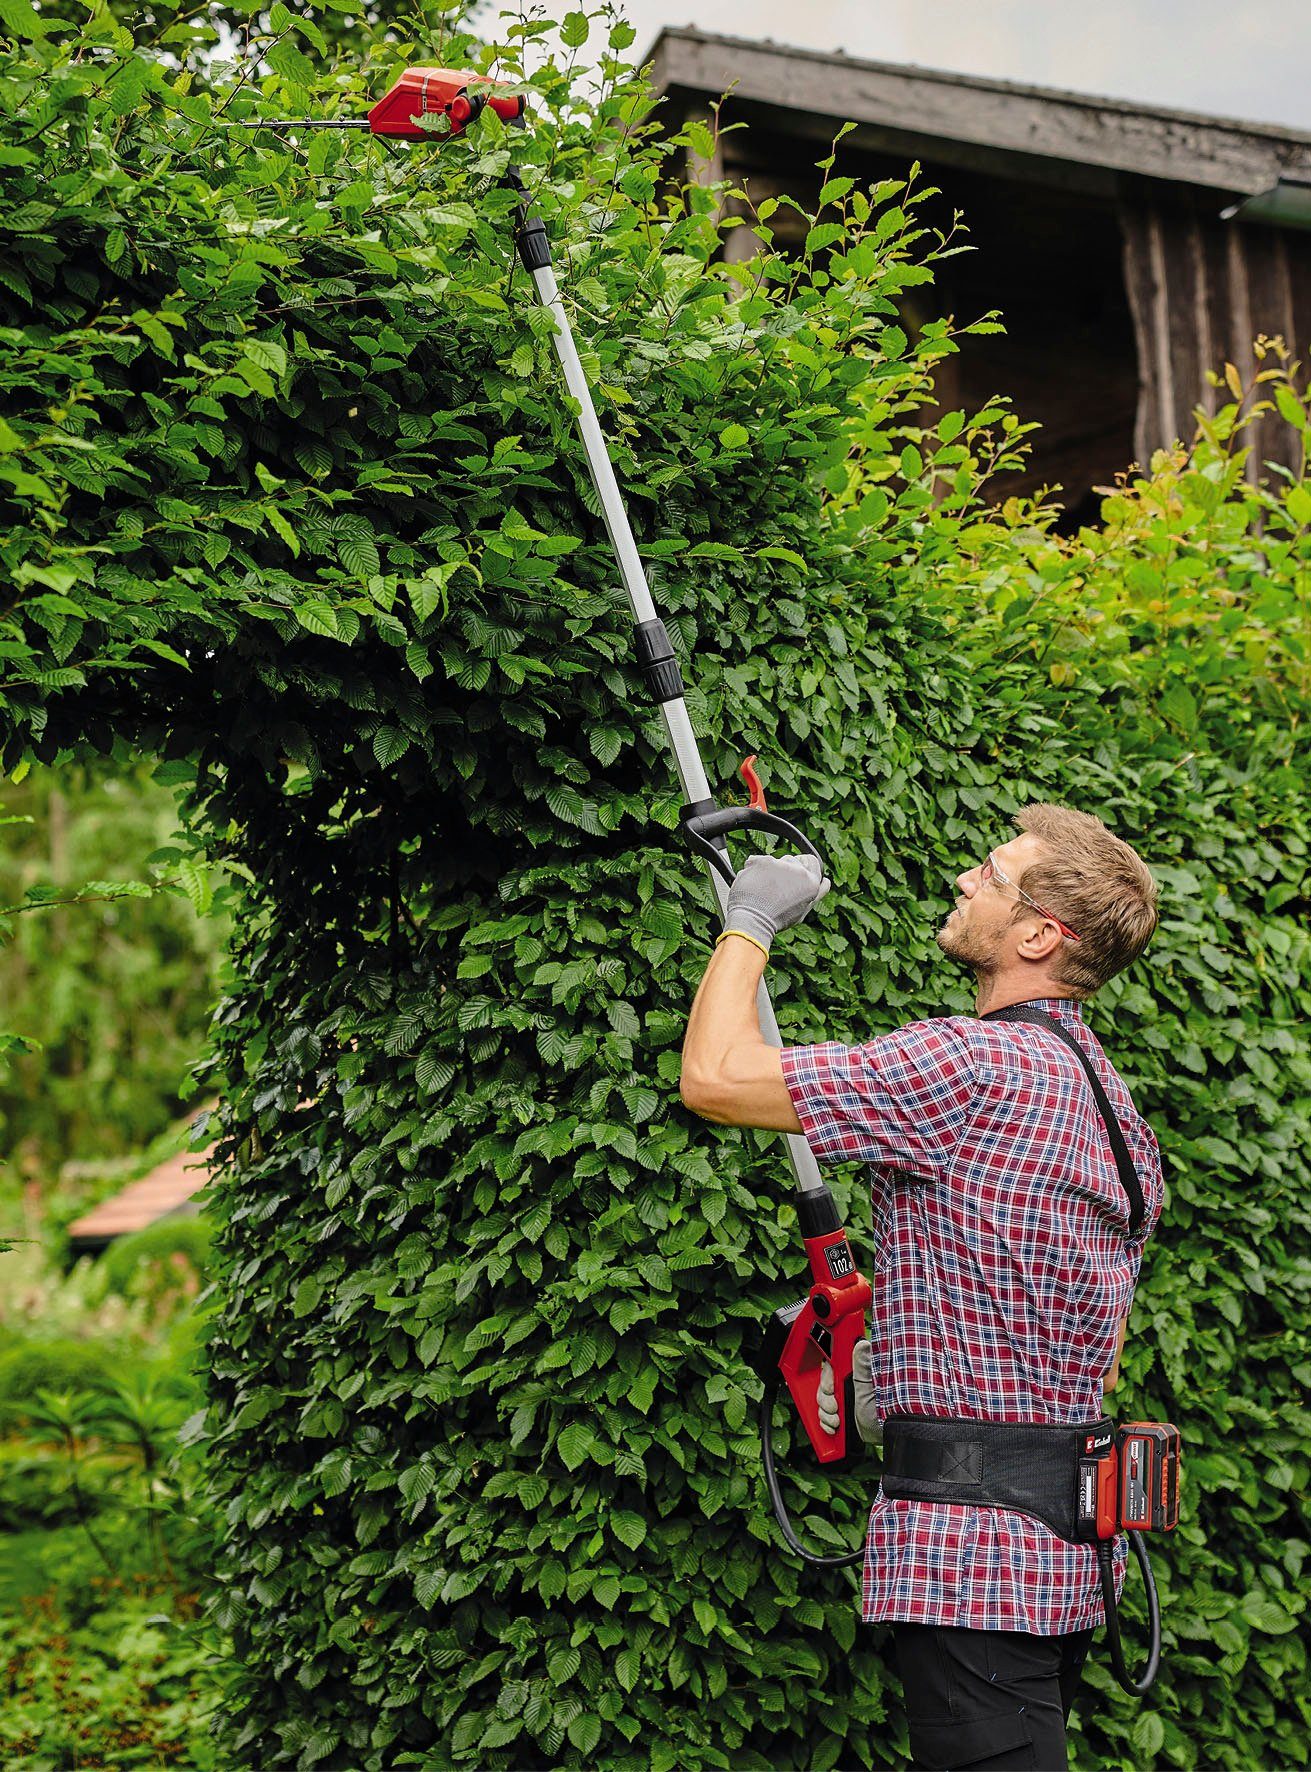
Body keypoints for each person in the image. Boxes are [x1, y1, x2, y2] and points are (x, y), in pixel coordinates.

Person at [679, 803, 1163, 1772]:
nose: (964, 881)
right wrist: (908, 1355)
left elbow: (716, 1075)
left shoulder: (969, 1062)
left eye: (990, 873)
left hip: (969, 1567)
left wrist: (750, 922)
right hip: (1065, 1558)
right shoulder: (1115, 1105)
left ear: (1037, 933)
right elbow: (1080, 1338)